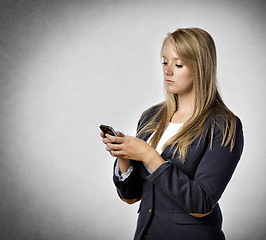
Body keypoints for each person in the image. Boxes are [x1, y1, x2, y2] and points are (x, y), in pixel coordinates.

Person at [100, 27, 244, 240]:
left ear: (200, 68)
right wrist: (124, 155)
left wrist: (149, 155)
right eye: (164, 62)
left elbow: (201, 204)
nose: (168, 71)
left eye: (178, 64)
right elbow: (131, 196)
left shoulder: (224, 125)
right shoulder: (151, 116)